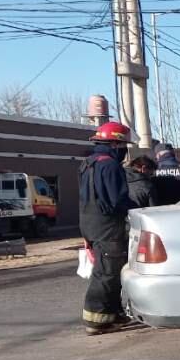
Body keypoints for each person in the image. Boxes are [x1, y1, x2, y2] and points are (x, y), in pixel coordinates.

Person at [78, 121, 132, 335]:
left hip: (91, 225)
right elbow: (116, 201)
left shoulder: (88, 163)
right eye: (124, 146)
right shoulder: (110, 166)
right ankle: (97, 320)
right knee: (107, 273)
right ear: (116, 144)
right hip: (107, 227)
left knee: (109, 270)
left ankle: (113, 313)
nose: (125, 151)